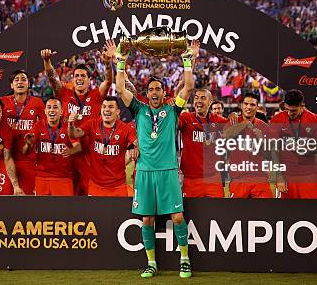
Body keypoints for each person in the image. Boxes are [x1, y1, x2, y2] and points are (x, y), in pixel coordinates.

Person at [113, 38, 198, 278]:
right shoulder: (138, 109)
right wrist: (120, 62)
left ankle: (184, 259)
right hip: (145, 171)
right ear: (146, 92)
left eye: (158, 89)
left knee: (178, 217)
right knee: (147, 219)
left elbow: (188, 87)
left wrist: (187, 61)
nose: (154, 92)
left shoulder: (173, 109)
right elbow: (120, 88)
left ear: (164, 92)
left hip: (168, 170)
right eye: (150, 89)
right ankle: (151, 263)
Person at [41, 45, 113, 195]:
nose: (79, 78)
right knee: (66, 194)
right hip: (67, 152)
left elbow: (108, 81)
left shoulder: (96, 95)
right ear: (72, 79)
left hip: (90, 154)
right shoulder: (65, 94)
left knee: (90, 194)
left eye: (83, 76)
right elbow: (53, 79)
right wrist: (47, 62)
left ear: (89, 80)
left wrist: (107, 64)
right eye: (77, 76)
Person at [67, 96, 137, 196]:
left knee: (118, 212)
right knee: (95, 212)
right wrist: (70, 124)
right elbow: (74, 134)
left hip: (118, 186)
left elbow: (137, 143)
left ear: (118, 112)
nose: (107, 109)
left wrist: (136, 148)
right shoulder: (92, 124)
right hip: (96, 185)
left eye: (111, 107)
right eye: (104, 106)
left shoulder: (126, 129)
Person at [269, 89, 317, 199]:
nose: (289, 113)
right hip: (287, 175)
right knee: (287, 214)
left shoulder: (314, 119)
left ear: (302, 105)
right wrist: (279, 177)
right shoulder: (277, 119)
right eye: (287, 109)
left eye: (293, 111)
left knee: (313, 213)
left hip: (309, 175)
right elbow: (273, 151)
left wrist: (307, 149)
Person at [23, 97, 81, 196]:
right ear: (45, 111)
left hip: (63, 178)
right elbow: (25, 152)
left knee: (64, 211)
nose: (52, 110)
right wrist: (28, 144)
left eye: (55, 107)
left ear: (61, 111)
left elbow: (78, 147)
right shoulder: (39, 125)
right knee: (41, 211)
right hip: (42, 178)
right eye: (49, 107)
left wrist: (70, 151)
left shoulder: (68, 126)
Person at [178, 88, 228, 198]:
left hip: (213, 179)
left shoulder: (218, 120)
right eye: (196, 98)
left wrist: (234, 114)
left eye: (203, 98)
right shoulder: (186, 118)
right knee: (192, 214)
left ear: (210, 102)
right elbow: (171, 123)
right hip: (191, 179)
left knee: (218, 213)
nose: (199, 101)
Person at [225, 93, 273, 199]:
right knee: (237, 214)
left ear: (257, 107)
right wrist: (245, 123)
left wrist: (261, 140)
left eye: (252, 105)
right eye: (246, 104)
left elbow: (269, 156)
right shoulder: (232, 121)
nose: (248, 107)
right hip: (238, 179)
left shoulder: (263, 126)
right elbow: (225, 137)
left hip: (260, 178)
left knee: (267, 213)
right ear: (241, 105)